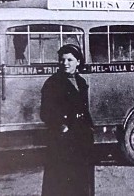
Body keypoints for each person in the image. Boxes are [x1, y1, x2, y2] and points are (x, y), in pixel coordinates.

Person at [40, 44, 95, 196]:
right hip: (62, 140)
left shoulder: (81, 82)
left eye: (70, 60)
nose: (65, 63)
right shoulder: (52, 83)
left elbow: (84, 109)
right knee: (62, 180)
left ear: (78, 62)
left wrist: (90, 128)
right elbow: (45, 112)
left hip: (82, 137)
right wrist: (61, 127)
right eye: (62, 60)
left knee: (82, 178)